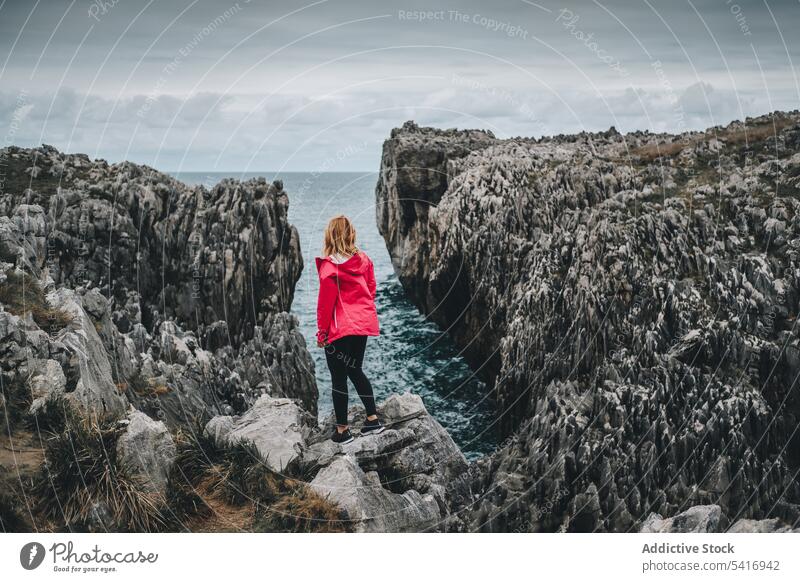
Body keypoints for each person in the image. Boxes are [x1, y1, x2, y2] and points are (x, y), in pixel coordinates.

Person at [316, 215, 383, 444]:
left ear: (330, 236)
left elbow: (325, 306)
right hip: (362, 325)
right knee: (355, 370)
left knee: (338, 378)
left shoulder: (329, 269)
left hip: (340, 330)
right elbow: (371, 290)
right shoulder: (364, 260)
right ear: (350, 234)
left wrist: (322, 333)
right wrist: (359, 312)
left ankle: (343, 431)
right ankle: (373, 419)